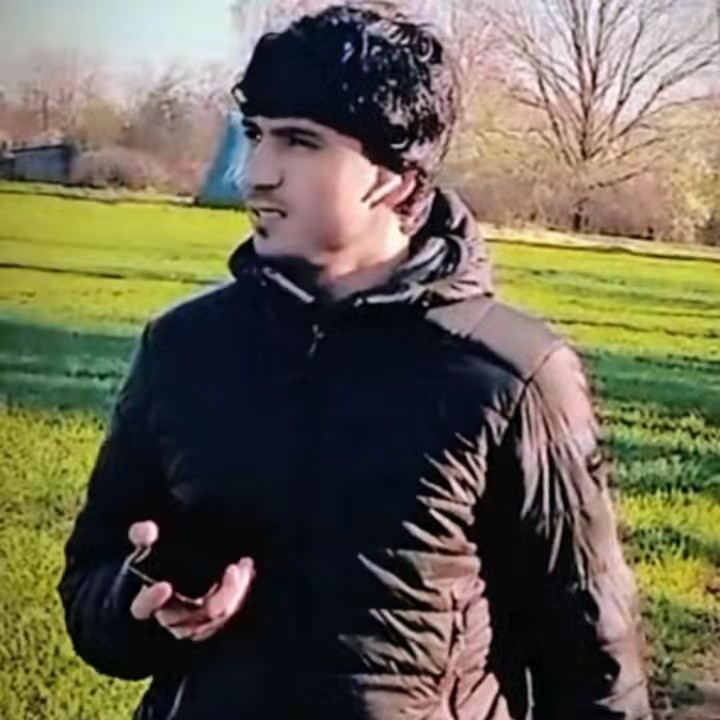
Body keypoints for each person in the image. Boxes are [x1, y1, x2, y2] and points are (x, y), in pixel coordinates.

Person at [57, 4, 653, 719]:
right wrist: (142, 601)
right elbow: (91, 586)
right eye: (256, 135)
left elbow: (593, 664)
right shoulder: (183, 348)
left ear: (395, 177)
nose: (255, 174)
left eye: (299, 142)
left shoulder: (511, 375)